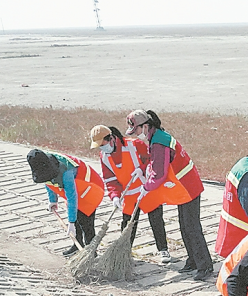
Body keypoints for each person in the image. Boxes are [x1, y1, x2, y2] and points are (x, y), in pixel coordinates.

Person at [125, 109, 214, 280]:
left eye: (136, 130)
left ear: (145, 126)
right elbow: (153, 162)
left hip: (188, 187)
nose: (135, 134)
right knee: (184, 225)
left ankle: (205, 266)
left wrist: (147, 186)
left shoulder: (159, 142)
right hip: (182, 188)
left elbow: (159, 173)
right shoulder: (155, 137)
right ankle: (193, 260)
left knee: (192, 228)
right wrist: (141, 170)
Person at [89, 125, 171, 263]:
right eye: (99, 146)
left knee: (156, 220)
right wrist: (114, 196)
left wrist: (142, 169)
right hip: (129, 195)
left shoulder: (134, 145)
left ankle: (163, 249)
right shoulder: (104, 156)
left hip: (146, 190)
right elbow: (110, 179)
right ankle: (125, 253)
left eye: (103, 144)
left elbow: (152, 160)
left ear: (112, 138)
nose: (102, 148)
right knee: (127, 225)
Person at [26, 148, 104, 256]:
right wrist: (53, 200)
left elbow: (72, 197)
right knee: (77, 219)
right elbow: (48, 182)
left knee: (85, 223)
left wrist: (71, 222)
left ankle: (91, 252)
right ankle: (77, 244)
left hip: (90, 189)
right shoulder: (43, 164)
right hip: (77, 189)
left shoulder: (66, 172)